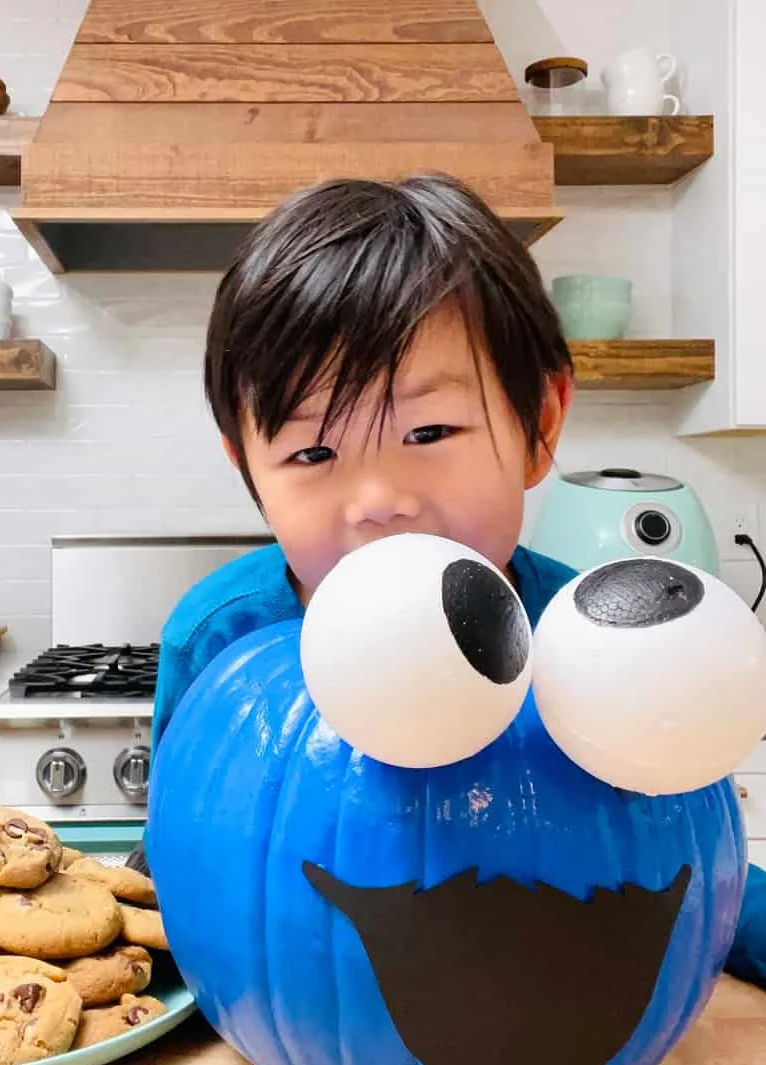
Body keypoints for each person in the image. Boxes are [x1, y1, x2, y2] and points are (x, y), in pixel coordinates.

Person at [129, 171, 764, 988]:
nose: (380, 501)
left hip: (552, 997)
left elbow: (685, 857)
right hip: (298, 1015)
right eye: (313, 453)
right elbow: (183, 863)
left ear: (540, 424)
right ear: (248, 468)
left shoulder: (585, 643)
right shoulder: (223, 637)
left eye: (429, 431)